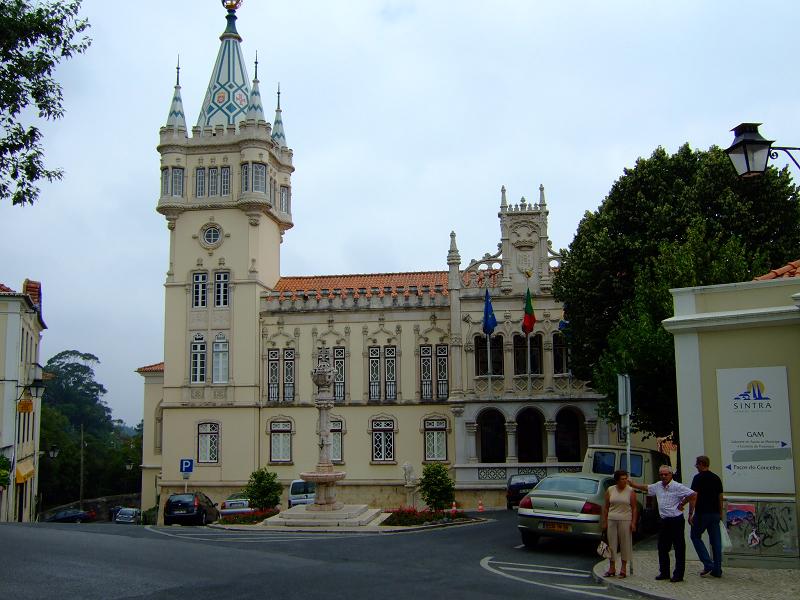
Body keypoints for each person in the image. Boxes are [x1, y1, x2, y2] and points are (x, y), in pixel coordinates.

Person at [630, 465, 696, 583]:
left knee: (679, 548)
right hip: (664, 520)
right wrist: (633, 484)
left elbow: (693, 494)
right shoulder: (658, 486)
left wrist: (684, 505)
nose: (664, 476)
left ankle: (678, 574)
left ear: (671, 475)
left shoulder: (677, 486)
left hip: (676, 520)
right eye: (661, 474)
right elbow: (646, 487)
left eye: (666, 474)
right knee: (662, 547)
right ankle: (664, 572)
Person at [689, 455, 724, 578]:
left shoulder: (697, 478)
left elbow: (694, 497)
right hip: (715, 514)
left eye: (697, 464)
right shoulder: (716, 478)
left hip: (702, 513)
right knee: (716, 542)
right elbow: (720, 497)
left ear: (701, 464)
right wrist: (721, 513)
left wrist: (690, 513)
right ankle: (717, 569)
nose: (696, 466)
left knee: (695, 536)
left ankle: (708, 563)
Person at [601, 469, 638, 578]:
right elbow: (606, 507)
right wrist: (604, 521)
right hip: (612, 519)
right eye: (622, 479)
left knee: (625, 543)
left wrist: (633, 522)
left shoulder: (630, 491)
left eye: (626, 478)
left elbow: (634, 508)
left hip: (625, 519)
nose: (625, 481)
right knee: (612, 544)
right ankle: (612, 568)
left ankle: (623, 568)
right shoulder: (610, 490)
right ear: (617, 480)